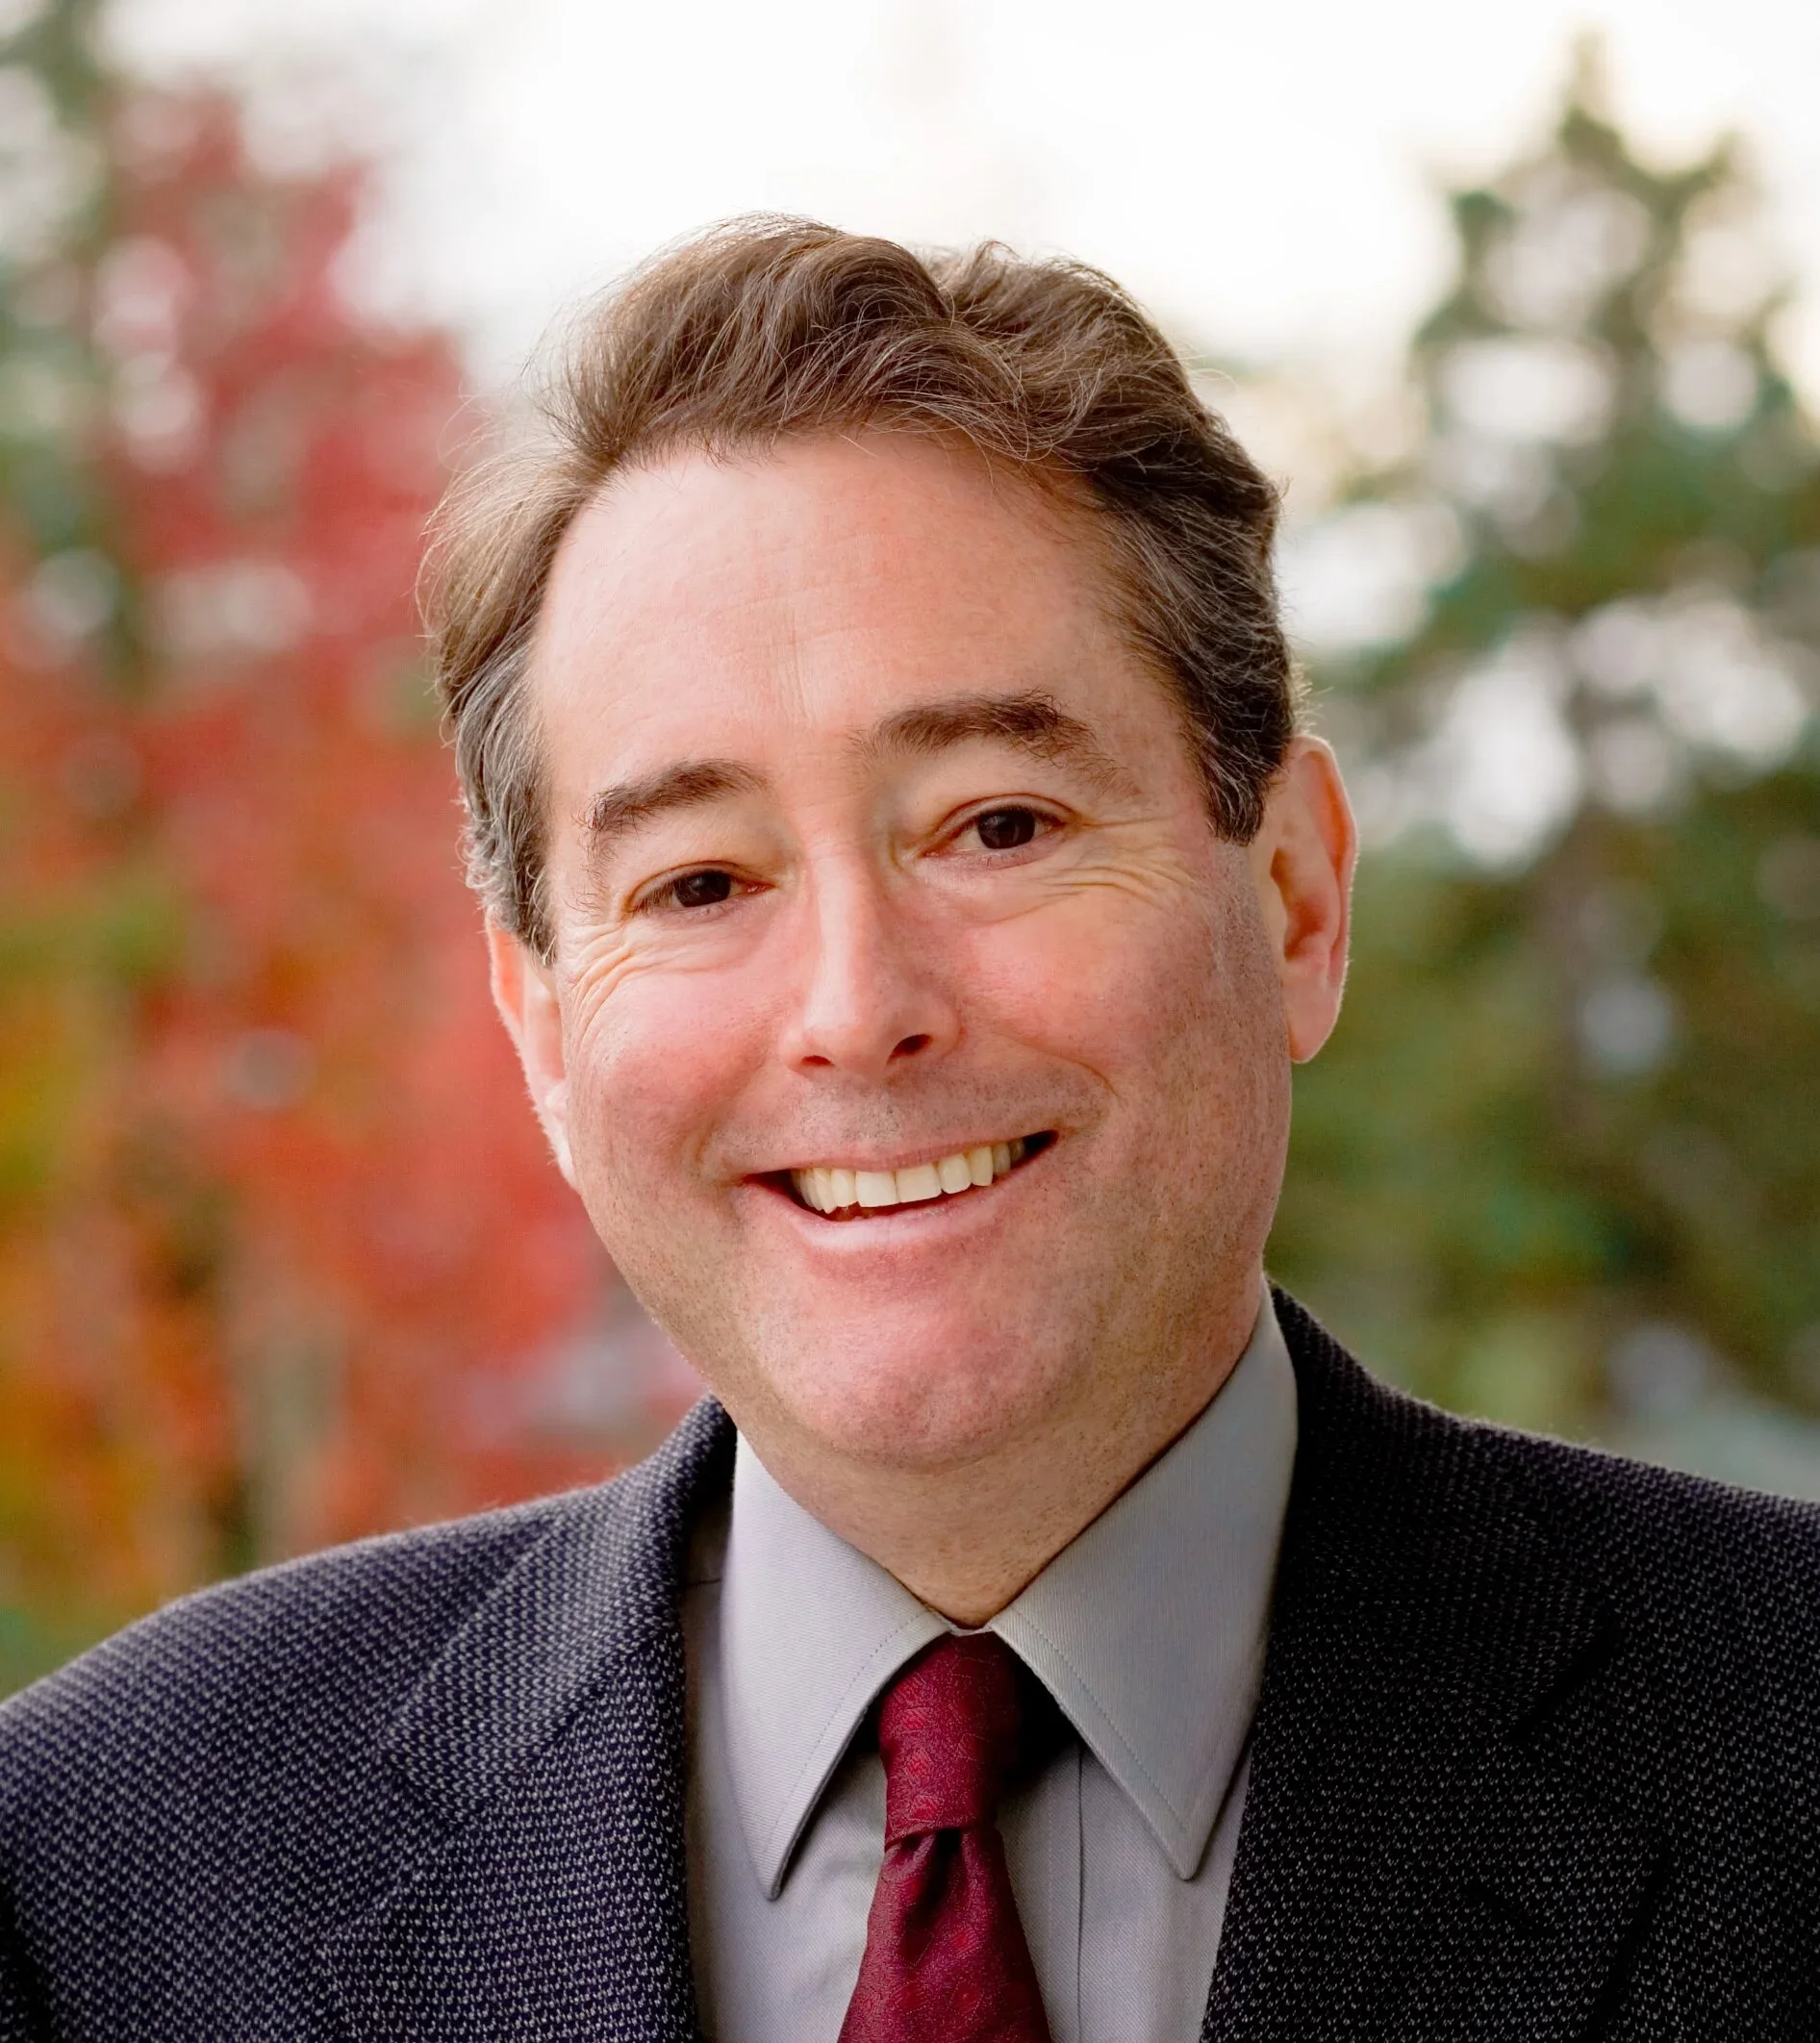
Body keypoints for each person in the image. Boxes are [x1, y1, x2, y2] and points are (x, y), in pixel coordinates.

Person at [2, 220, 1816, 2043]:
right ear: (544, 1025)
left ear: (1293, 902)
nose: (858, 1007)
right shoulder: (94, 1873)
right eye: (701, 880)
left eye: (999, 826)